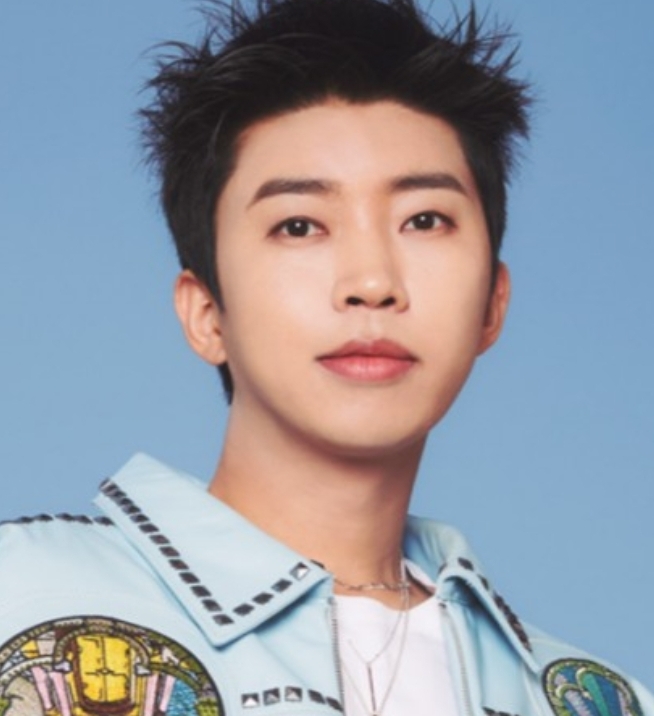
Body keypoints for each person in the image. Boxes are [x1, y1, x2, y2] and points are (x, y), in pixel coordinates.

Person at [0, 1, 651, 715]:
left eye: (424, 220)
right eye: (300, 226)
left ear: (492, 304)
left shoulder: (593, 699)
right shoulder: (24, 598)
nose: (371, 282)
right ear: (206, 312)